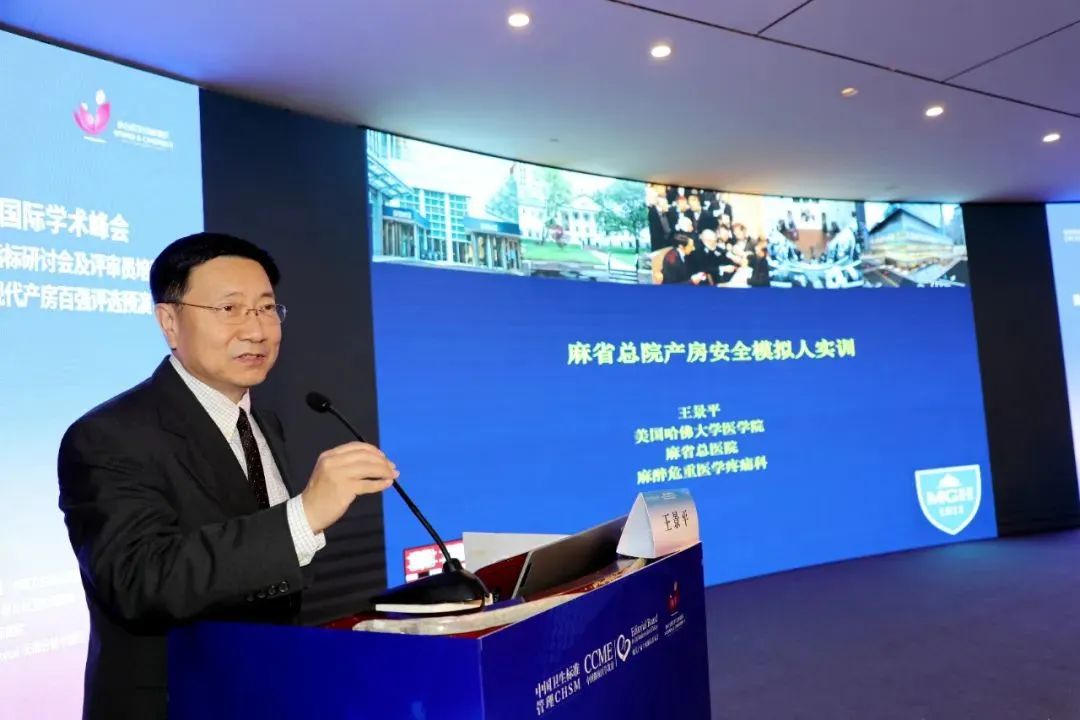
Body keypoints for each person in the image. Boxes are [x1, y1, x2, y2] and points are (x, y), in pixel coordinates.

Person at [56, 232, 398, 720]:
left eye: (266, 309)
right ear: (169, 322)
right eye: (229, 309)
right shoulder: (107, 436)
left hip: (266, 691)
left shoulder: (264, 424)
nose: (256, 330)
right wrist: (302, 517)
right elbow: (138, 581)